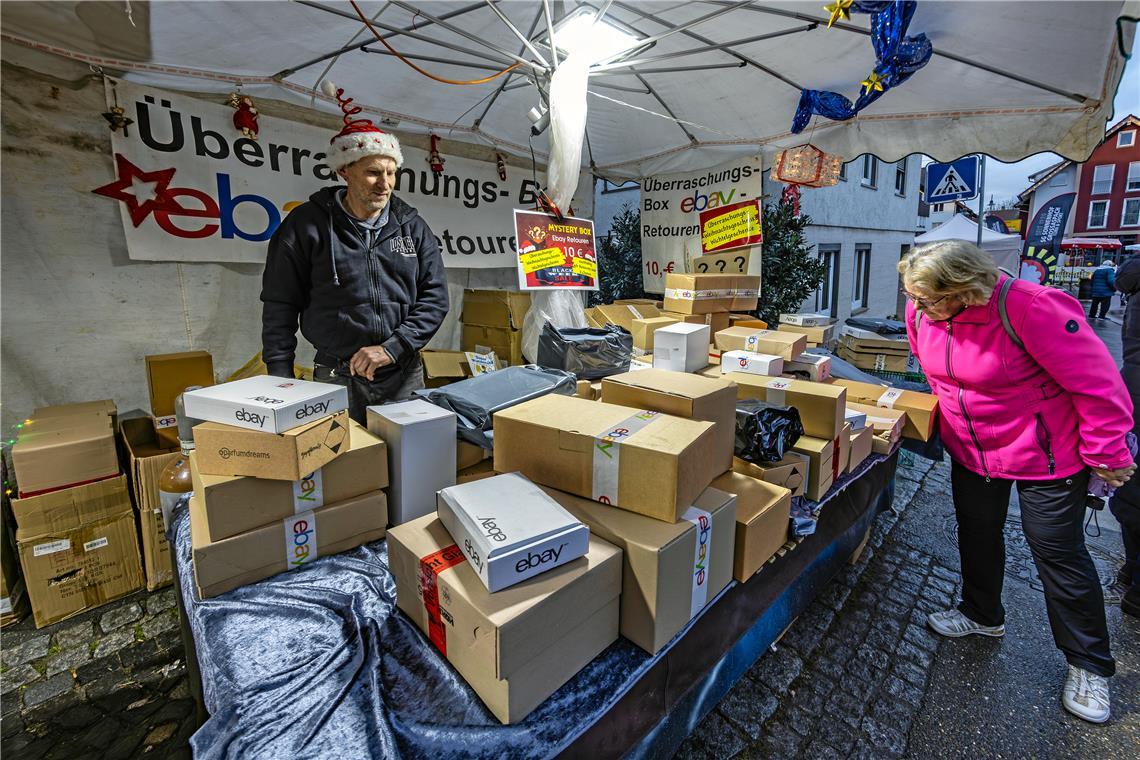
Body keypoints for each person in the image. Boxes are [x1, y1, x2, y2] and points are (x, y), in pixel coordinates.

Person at [898, 240, 1135, 724]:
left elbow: (1097, 383)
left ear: (965, 287)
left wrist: (1107, 452)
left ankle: (1089, 665)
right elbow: (937, 376)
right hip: (972, 449)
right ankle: (982, 614)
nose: (918, 308)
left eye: (928, 299)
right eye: (914, 298)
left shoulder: (1031, 308)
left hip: (1046, 454)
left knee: (1057, 552)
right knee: (976, 531)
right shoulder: (922, 310)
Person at [261, 85, 448, 424]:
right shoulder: (306, 225)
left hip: (403, 373)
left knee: (410, 466)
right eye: (374, 172)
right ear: (344, 171)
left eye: (391, 173)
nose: (385, 184)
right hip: (337, 376)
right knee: (344, 467)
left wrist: (393, 347)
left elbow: (435, 298)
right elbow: (279, 303)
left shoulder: (412, 226)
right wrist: (279, 376)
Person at [1110, 254, 1140, 617]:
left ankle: (1132, 570)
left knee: (1132, 490)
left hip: (1131, 396)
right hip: (1132, 396)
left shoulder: (1133, 277)